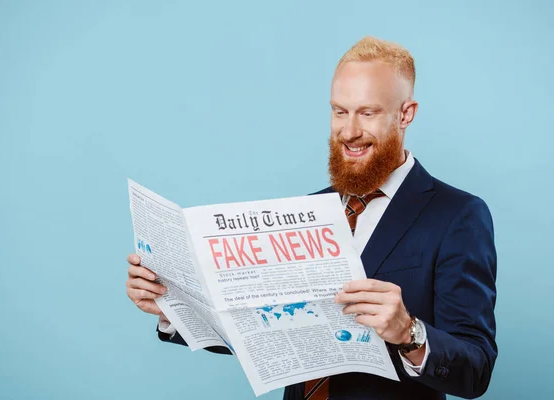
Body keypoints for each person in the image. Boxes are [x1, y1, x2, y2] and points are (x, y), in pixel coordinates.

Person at [125, 36, 497, 399]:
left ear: (406, 114)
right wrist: (173, 308)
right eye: (339, 111)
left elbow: (476, 369)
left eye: (367, 112)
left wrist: (409, 332)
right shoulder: (305, 212)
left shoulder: (457, 215)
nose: (349, 132)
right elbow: (261, 330)